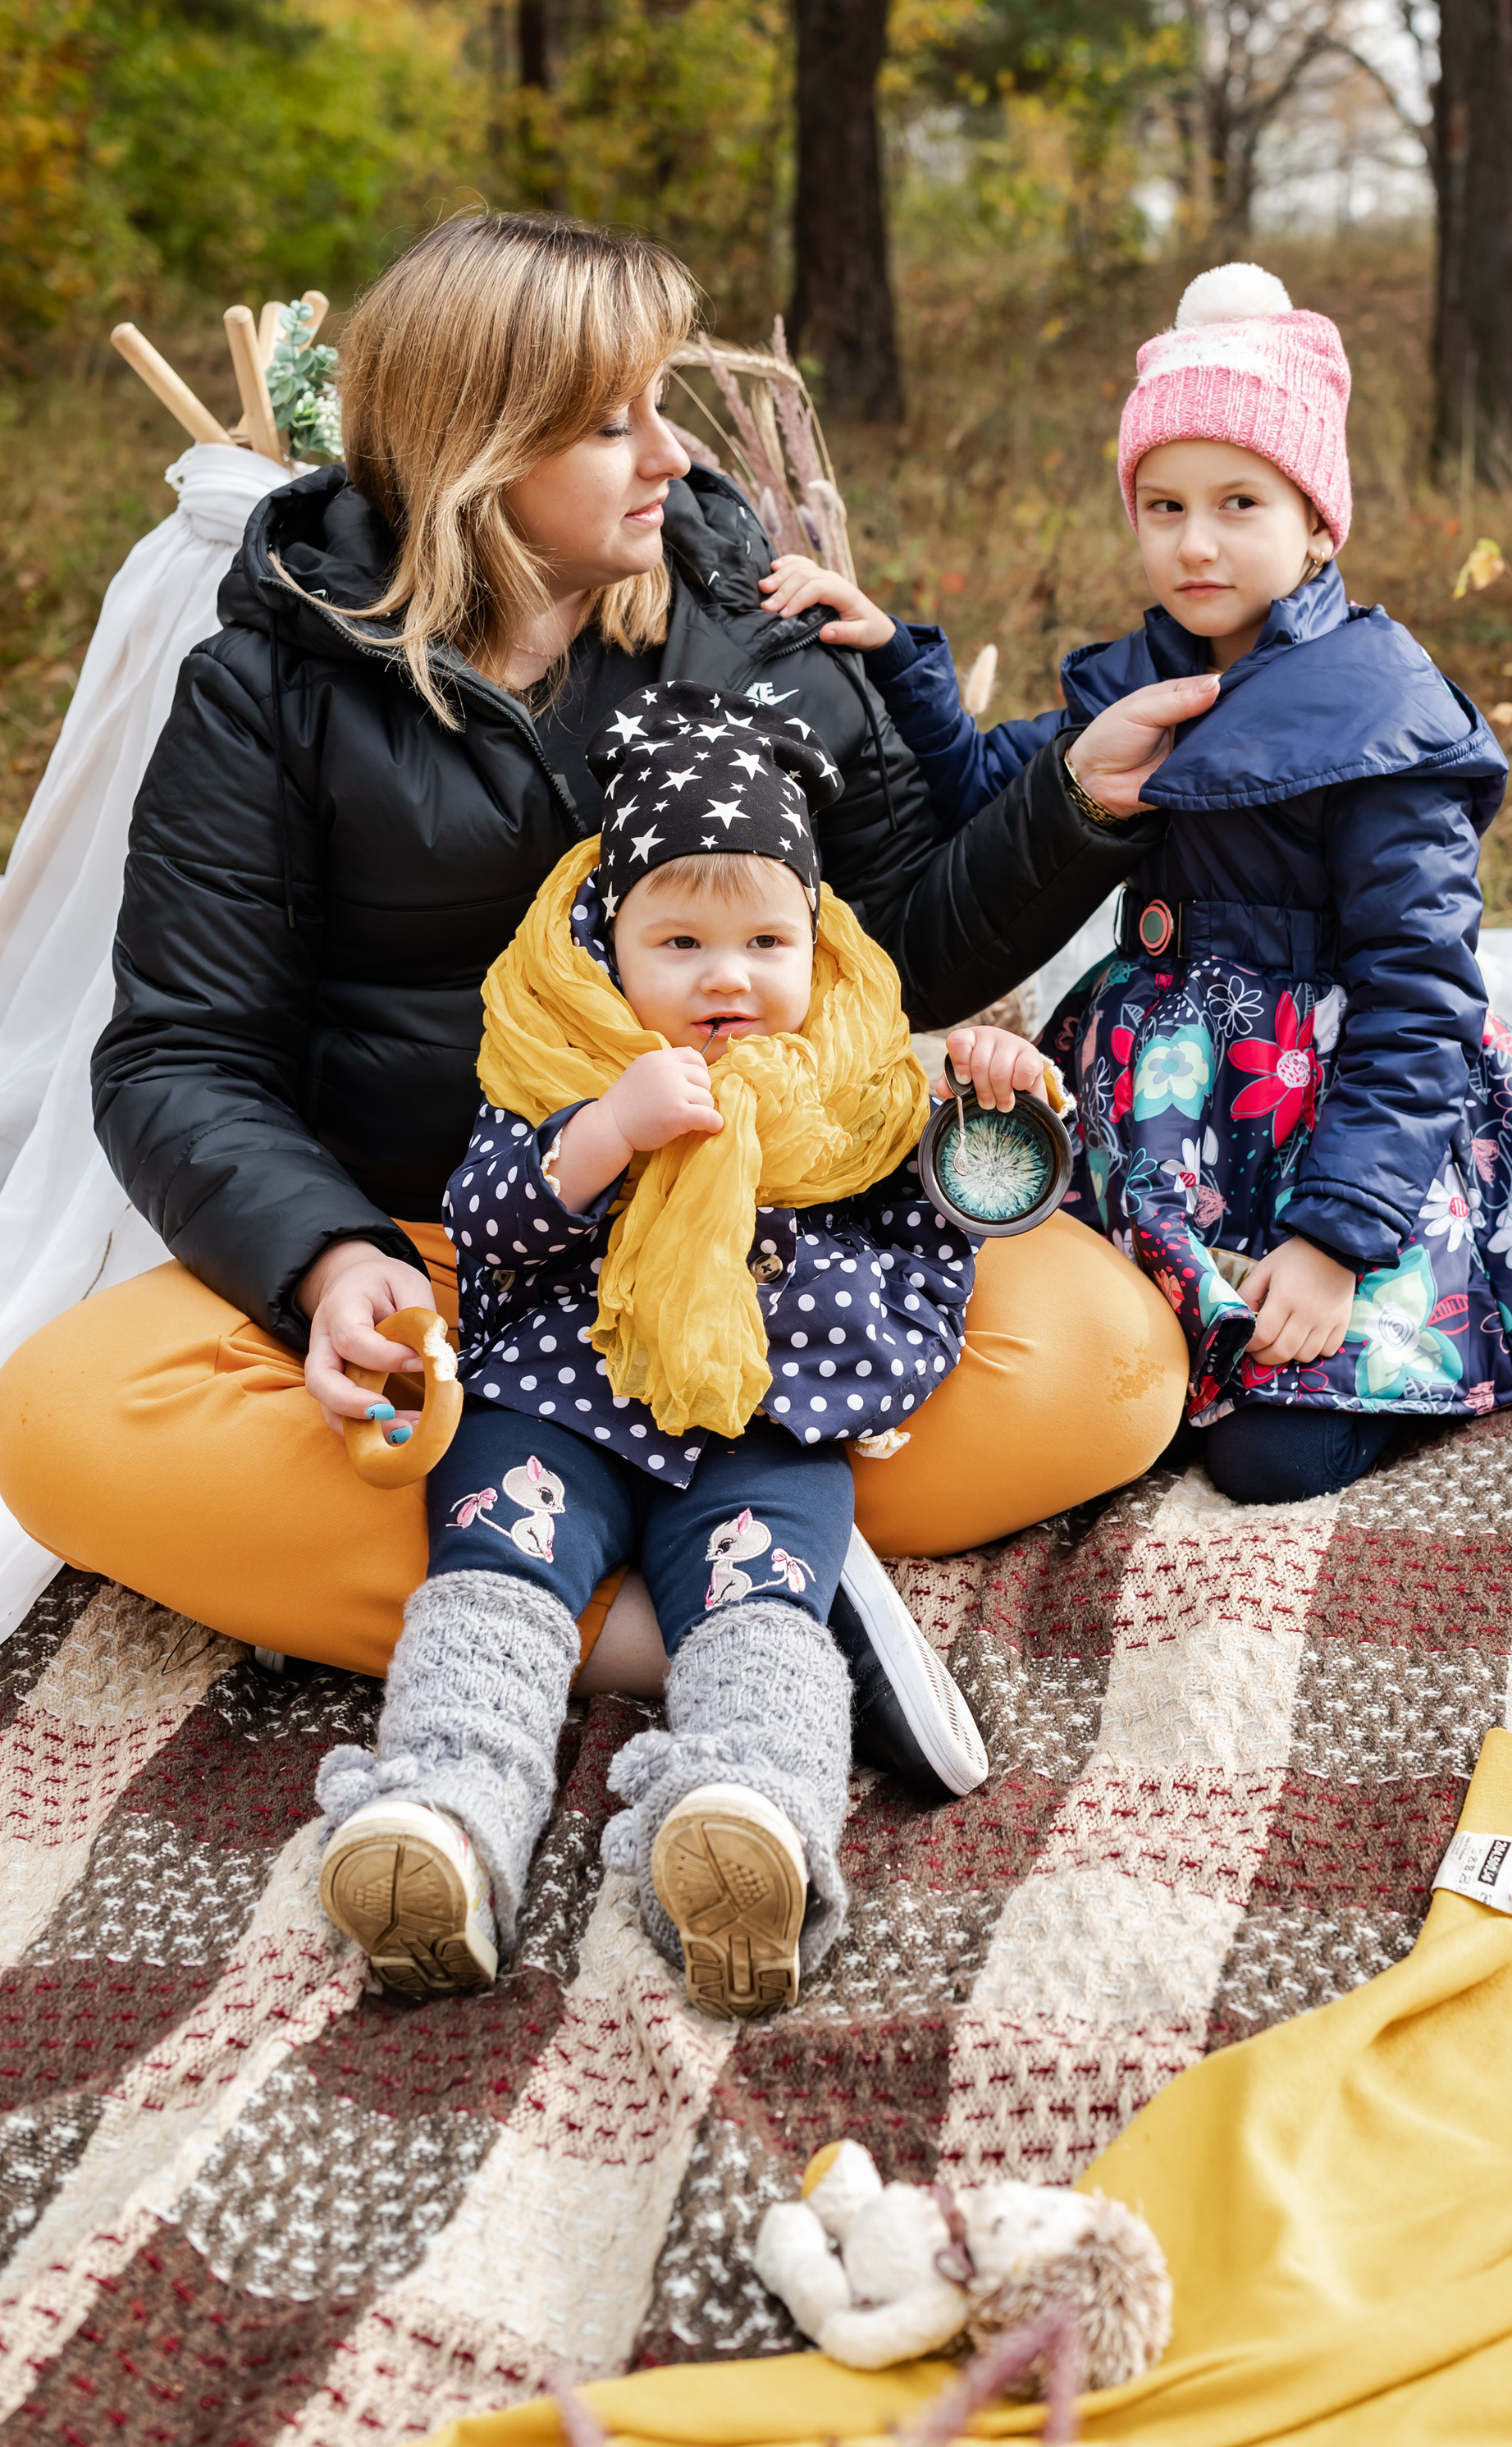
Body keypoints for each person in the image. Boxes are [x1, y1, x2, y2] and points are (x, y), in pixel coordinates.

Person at [0, 211, 1194, 1717]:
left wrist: (1074, 800)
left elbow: (898, 945)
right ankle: (731, 1618)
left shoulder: (748, 622)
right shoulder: (268, 687)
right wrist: (331, 1262)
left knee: (1110, 1356)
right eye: (613, 425)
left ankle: (572, 1569)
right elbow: (182, 1053)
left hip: (779, 1252)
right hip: (451, 1241)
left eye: (663, 411)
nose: (673, 458)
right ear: (481, 449)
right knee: (63, 1419)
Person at [761, 262, 1512, 1504]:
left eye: (1237, 502)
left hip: (1336, 1125)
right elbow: (990, 793)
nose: (1195, 541)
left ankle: (1426, 1349)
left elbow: (1417, 991)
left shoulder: (1379, 717)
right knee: (1117, 1397)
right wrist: (900, 661)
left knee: (1269, 1455)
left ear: (1318, 520)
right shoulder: (1137, 676)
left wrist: (1333, 1244)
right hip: (1168, 1109)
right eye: (1162, 505)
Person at [316, 685, 1046, 2015]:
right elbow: (485, 1220)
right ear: (609, 948)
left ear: (816, 950)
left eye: (767, 938)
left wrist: (980, 1085)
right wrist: (605, 1131)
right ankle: (444, 1811)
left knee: (760, 1627)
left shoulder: (857, 1078)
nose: (728, 974)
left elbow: (950, 1212)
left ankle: (745, 1822)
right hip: (556, 1406)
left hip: (763, 1423)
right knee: (490, 1589)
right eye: (682, 939)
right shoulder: (556, 1063)